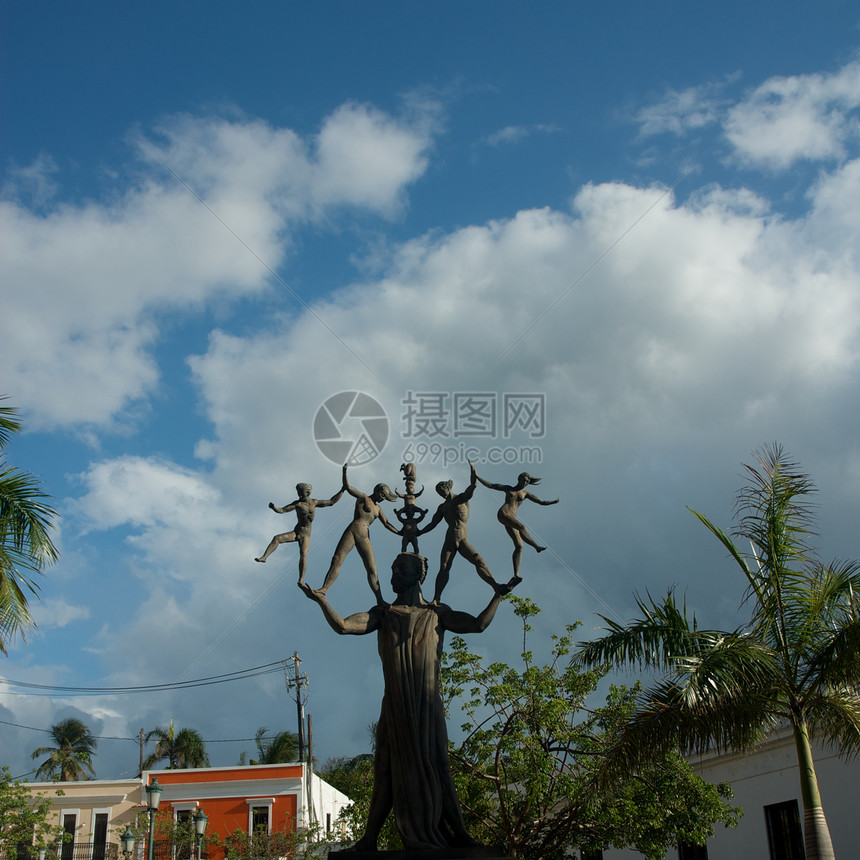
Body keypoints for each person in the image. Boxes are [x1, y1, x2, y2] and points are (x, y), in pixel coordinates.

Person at [300, 552, 515, 851]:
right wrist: (323, 600)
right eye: (391, 569)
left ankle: (462, 835)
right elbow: (343, 626)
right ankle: (369, 839)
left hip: (427, 704)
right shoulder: (383, 614)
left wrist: (497, 596)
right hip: (396, 705)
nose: (393, 574)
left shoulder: (437, 613)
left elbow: (478, 624)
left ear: (418, 574)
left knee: (439, 765)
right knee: (385, 768)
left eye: (400, 568)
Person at [420, 461, 505, 603]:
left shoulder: (461, 499)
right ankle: (436, 598)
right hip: (449, 539)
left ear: (447, 488)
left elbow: (473, 486)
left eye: (441, 490)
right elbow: (433, 523)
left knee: (479, 561)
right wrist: (419, 532)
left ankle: (495, 585)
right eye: (438, 492)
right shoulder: (442, 507)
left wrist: (473, 470)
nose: (440, 493)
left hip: (463, 539)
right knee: (444, 567)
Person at [315, 464, 397, 605]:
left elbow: (387, 524)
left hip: (365, 536)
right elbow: (348, 487)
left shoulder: (378, 508)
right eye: (383, 496)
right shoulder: (363, 498)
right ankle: (324, 589)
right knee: (337, 559)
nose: (383, 499)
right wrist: (345, 471)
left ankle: (380, 600)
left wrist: (401, 532)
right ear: (379, 492)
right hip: (354, 529)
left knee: (372, 568)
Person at [472, 463, 560, 579]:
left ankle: (516, 574)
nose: (525, 482)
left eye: (527, 481)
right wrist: (477, 475)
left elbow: (540, 502)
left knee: (519, 546)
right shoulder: (509, 488)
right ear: (519, 479)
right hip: (504, 514)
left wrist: (553, 502)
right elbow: (491, 485)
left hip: (511, 519)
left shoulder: (525, 494)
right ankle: (536, 547)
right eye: (524, 480)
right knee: (522, 527)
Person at [254, 483, 343, 583]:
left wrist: (342, 490)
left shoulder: (314, 502)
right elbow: (283, 510)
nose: (299, 494)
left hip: (306, 535)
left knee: (304, 555)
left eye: (301, 492)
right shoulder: (298, 504)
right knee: (277, 538)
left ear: (307, 492)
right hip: (297, 532)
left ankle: (301, 579)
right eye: (298, 492)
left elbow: (331, 502)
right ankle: (264, 557)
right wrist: (274, 507)